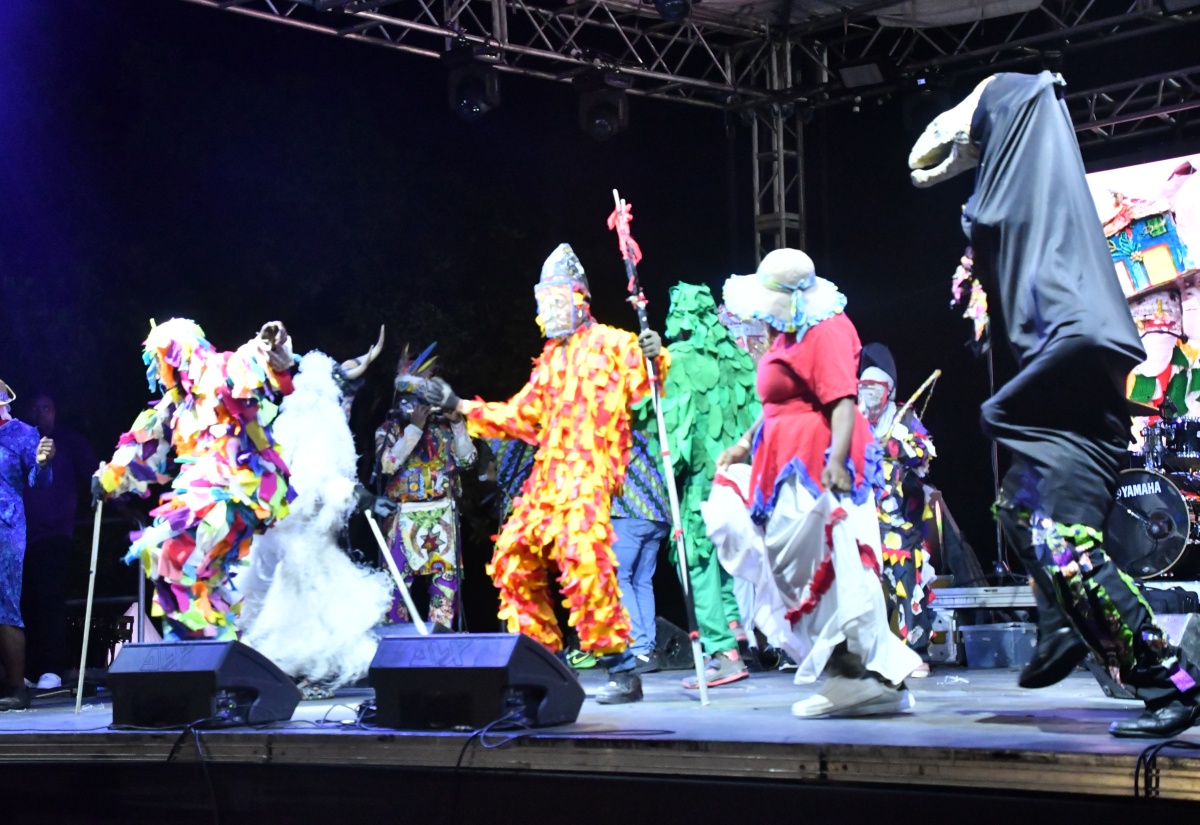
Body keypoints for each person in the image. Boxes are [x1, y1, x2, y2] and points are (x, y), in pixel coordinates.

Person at [909, 71, 1200, 737]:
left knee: (1068, 548)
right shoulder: (1029, 217)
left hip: (1074, 424)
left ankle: (1174, 684)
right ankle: (1064, 627)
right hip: (1059, 418)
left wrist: (1007, 405)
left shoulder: (1052, 225)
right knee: (1013, 513)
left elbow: (1090, 335)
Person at [424, 243, 668, 704]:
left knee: (582, 553)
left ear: (580, 299)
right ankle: (542, 665)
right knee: (512, 558)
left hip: (590, 475)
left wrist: (656, 355)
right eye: (545, 302)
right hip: (548, 478)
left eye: (558, 300)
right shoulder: (551, 360)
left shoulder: (616, 343)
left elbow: (648, 385)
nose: (550, 310)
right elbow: (520, 416)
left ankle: (621, 669)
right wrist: (459, 406)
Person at [707, 248, 923, 718]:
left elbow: (842, 401)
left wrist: (839, 460)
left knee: (832, 569)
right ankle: (853, 675)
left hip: (814, 461)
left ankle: (858, 675)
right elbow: (775, 402)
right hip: (781, 459)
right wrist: (745, 443)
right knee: (796, 572)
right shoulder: (785, 331)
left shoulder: (824, 328)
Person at [93, 318, 295, 641]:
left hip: (232, 490)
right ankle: (205, 658)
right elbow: (144, 443)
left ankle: (204, 661)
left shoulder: (219, 370)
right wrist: (107, 480)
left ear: (177, 355)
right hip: (206, 496)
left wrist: (270, 345)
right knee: (180, 572)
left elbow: (251, 361)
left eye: (161, 361)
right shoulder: (178, 405)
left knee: (174, 557)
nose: (159, 371)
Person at [238, 338, 394, 699]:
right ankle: (300, 674)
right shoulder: (320, 425)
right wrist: (361, 496)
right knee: (309, 600)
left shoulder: (297, 421)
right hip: (300, 535)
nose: (352, 403)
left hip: (298, 533)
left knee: (317, 602)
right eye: (350, 395)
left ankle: (299, 673)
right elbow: (317, 480)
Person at [660, 283, 760, 688]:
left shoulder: (679, 361)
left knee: (697, 560)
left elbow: (671, 429)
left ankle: (723, 652)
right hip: (737, 478)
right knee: (727, 555)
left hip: (704, 479)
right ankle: (736, 630)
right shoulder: (741, 361)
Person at [375, 344, 477, 631]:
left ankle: (440, 651)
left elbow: (468, 460)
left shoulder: (445, 427)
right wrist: (414, 429)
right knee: (395, 590)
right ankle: (395, 651)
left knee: (444, 590)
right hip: (402, 515)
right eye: (406, 401)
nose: (412, 407)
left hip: (441, 514)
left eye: (416, 401)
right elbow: (387, 465)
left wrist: (457, 422)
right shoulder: (389, 430)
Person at [857, 344, 936, 668]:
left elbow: (924, 453)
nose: (868, 393)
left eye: (874, 387)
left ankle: (915, 651)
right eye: (863, 387)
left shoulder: (905, 417)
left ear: (887, 391)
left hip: (901, 521)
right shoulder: (853, 417)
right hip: (864, 518)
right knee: (865, 585)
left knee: (907, 583)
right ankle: (865, 652)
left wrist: (893, 446)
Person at [21, 391, 97, 688]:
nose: (42, 414)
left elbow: (95, 474)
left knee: (49, 599)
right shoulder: (20, 440)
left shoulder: (69, 442)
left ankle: (53, 668)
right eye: (36, 408)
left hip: (55, 534)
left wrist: (122, 505)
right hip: (19, 535)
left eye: (47, 408)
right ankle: (28, 669)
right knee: (24, 603)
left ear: (55, 411)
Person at [0, 379, 55, 711]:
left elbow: (39, 482)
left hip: (5, 527)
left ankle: (17, 687)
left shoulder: (21, 433)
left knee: (4, 606)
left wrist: (43, 463)